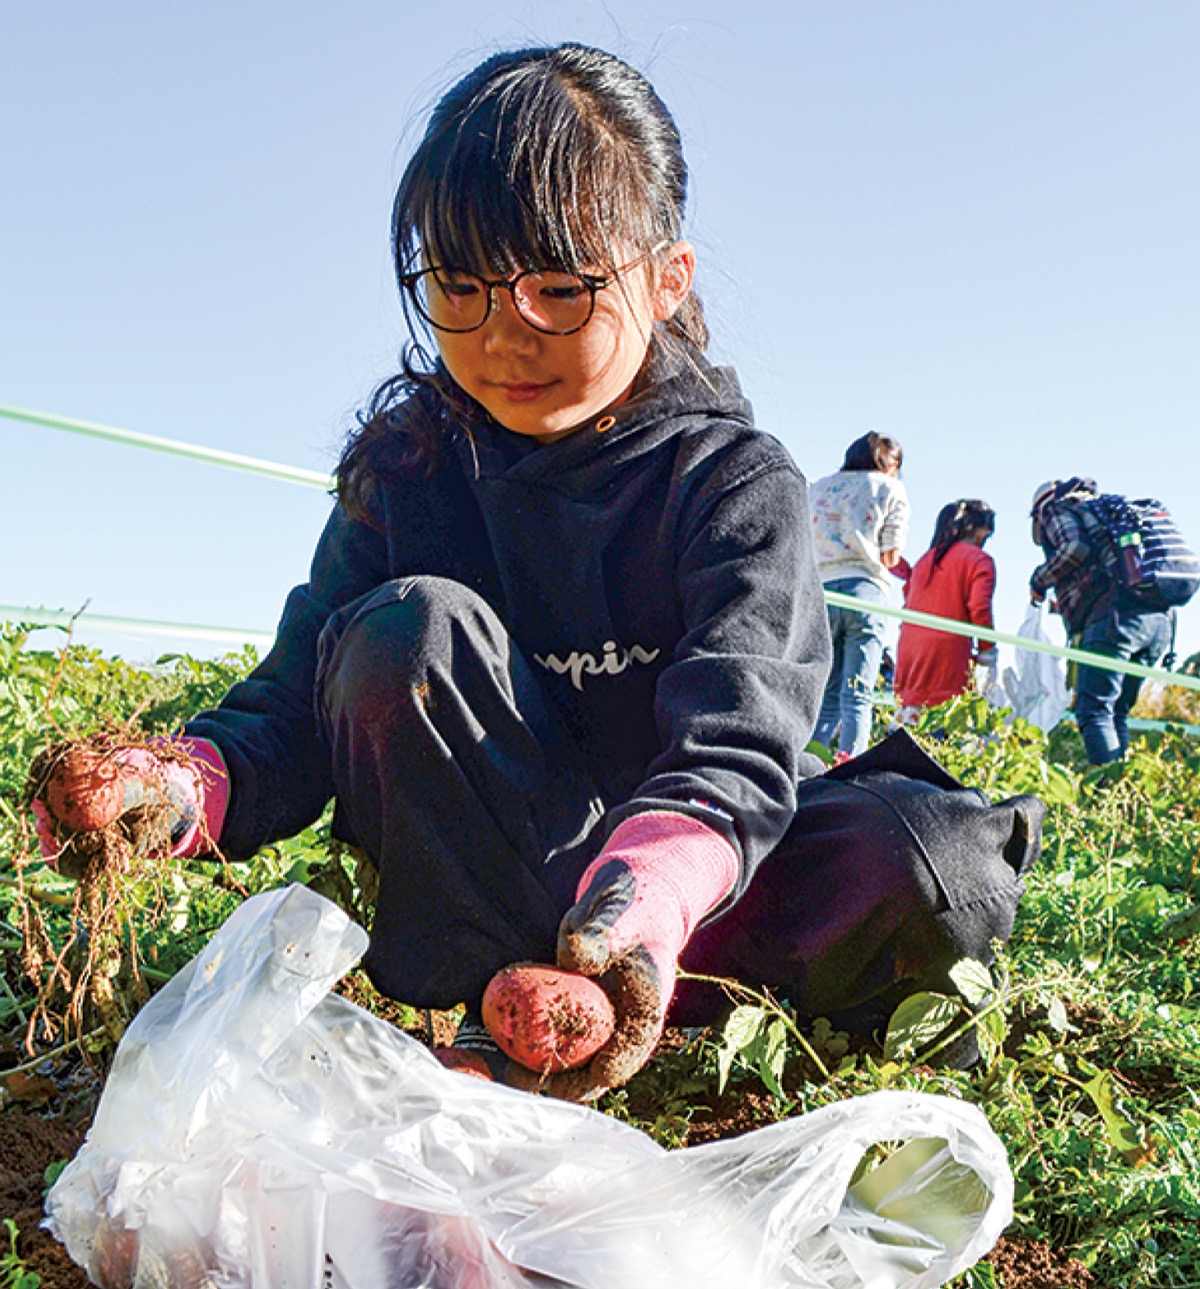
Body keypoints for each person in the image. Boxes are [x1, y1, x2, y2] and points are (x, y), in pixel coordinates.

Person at [31, 44, 1043, 1098]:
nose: (504, 335)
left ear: (664, 281)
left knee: (927, 857)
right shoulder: (413, 467)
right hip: (508, 877)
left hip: (683, 887)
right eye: (458, 286)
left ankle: (635, 992)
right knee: (402, 634)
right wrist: (174, 785)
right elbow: (293, 706)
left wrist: (639, 908)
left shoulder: (734, 482)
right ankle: (501, 1006)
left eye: (558, 289)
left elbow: (737, 747)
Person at [1029, 478, 1174, 765]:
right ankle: (1124, 799)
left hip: (1116, 620)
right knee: (1115, 712)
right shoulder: (1107, 513)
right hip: (1158, 622)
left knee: (1093, 711)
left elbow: (1074, 549)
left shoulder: (1056, 508)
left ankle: (1107, 798)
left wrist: (1038, 581)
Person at [809, 432, 910, 757]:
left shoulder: (821, 487)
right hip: (865, 590)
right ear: (889, 463)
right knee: (858, 693)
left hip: (821, 592)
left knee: (825, 691)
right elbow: (890, 555)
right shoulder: (889, 488)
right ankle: (850, 767)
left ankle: (810, 767)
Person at [893, 501, 998, 715]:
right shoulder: (979, 559)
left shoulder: (925, 561)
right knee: (945, 731)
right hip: (946, 662)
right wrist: (987, 650)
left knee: (910, 731)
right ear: (983, 532)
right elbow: (980, 607)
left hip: (909, 658)